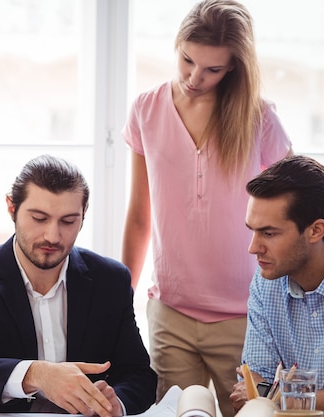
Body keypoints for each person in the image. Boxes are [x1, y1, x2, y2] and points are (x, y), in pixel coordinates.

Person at [120, 1, 292, 415]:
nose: (194, 77)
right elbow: (140, 215)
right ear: (176, 45)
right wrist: (120, 300)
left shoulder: (259, 118)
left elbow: (294, 211)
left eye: (212, 69)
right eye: (187, 60)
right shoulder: (146, 109)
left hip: (246, 319)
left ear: (234, 67)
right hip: (171, 314)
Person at [0, 155, 157, 417]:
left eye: (68, 221)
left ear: (83, 216)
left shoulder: (110, 279)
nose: (53, 236)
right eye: (39, 218)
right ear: (12, 207)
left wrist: (115, 402)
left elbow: (139, 375)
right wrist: (37, 375)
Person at [229, 155, 324, 417]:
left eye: (268, 233)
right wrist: (270, 394)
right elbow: (254, 379)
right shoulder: (265, 282)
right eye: (253, 231)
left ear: (315, 231)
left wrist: (278, 399)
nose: (253, 248)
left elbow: (261, 394)